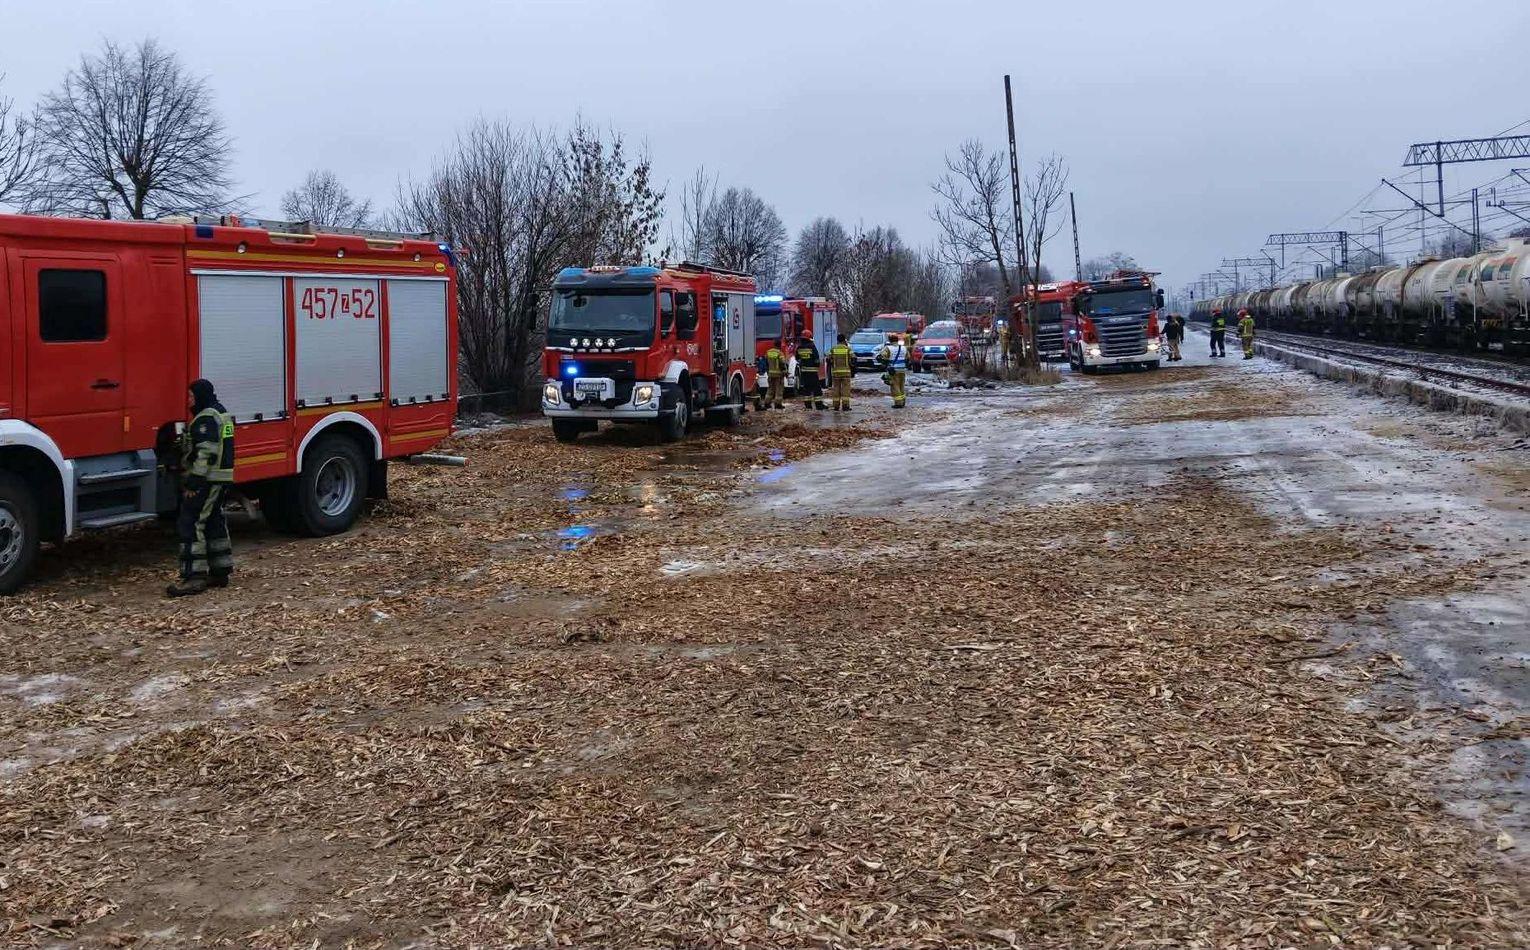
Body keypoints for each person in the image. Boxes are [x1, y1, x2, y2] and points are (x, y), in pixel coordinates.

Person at [167, 378, 235, 597]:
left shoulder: (206, 417)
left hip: (207, 480)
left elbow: (206, 452)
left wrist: (194, 482)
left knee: (191, 522)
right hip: (221, 478)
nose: (188, 400)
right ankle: (220, 571)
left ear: (200, 396)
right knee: (213, 521)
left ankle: (194, 576)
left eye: (191, 396)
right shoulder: (221, 412)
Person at [875, 332, 909, 409]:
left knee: (894, 386)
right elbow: (908, 358)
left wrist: (884, 363)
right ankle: (903, 401)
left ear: (890, 340)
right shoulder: (904, 348)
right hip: (902, 370)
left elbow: (881, 357)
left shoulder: (888, 348)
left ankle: (898, 403)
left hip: (893, 370)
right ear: (897, 340)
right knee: (901, 386)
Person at [796, 332, 827, 410]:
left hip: (804, 372)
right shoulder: (812, 346)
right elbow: (816, 358)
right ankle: (819, 405)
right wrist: (817, 365)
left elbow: (797, 358)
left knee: (807, 389)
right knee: (817, 389)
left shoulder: (799, 347)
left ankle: (808, 406)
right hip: (812, 372)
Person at [827, 333, 855, 411]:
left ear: (837, 340)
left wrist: (832, 365)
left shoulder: (833, 349)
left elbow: (828, 359)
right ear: (844, 340)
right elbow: (853, 359)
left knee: (836, 388)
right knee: (845, 389)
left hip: (836, 373)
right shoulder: (848, 349)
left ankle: (836, 406)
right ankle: (845, 406)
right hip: (846, 373)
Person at [758, 342, 787, 409]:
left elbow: (765, 362)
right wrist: (785, 372)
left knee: (770, 389)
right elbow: (782, 363)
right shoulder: (780, 353)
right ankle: (778, 404)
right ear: (779, 346)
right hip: (778, 375)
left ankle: (767, 403)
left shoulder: (768, 352)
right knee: (779, 390)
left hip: (770, 374)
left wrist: (767, 371)